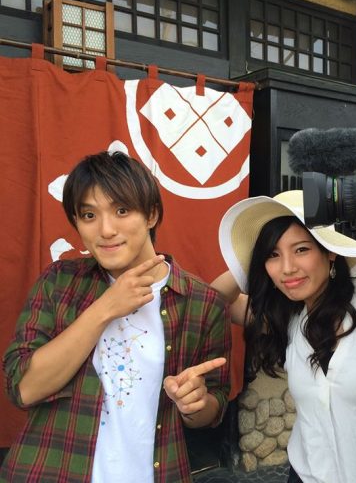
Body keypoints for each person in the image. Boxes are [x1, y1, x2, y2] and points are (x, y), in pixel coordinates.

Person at [1, 151, 231, 482]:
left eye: (122, 210)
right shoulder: (59, 282)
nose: (106, 230)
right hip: (51, 471)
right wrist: (105, 308)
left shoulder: (202, 303)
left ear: (151, 214)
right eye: (89, 215)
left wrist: (195, 403)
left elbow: (213, 408)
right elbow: (23, 389)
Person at [212, 190, 356, 483]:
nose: (287, 268)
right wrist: (250, 258)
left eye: (301, 249)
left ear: (330, 251)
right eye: (273, 255)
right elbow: (215, 302)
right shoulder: (288, 319)